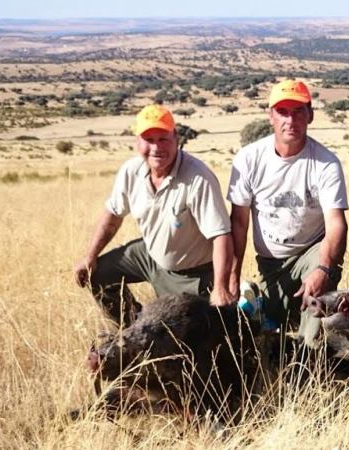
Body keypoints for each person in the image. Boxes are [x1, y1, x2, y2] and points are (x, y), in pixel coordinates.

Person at [74, 104, 234, 326]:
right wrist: (89, 256)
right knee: (98, 275)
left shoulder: (198, 178)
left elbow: (221, 236)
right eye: (148, 140)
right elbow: (112, 216)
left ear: (176, 138)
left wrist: (220, 288)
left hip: (191, 272)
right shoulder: (131, 171)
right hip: (150, 254)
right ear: (137, 142)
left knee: (186, 337)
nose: (156, 147)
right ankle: (133, 329)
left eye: (163, 139)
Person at [227, 80, 349, 341]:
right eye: (283, 112)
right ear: (270, 116)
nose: (290, 120)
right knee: (265, 326)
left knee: (317, 298)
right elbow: (238, 222)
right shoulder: (249, 159)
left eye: (298, 112)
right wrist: (232, 275)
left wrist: (324, 269)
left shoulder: (326, 163)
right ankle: (258, 302)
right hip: (271, 263)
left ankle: (308, 355)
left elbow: (336, 224)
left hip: (310, 252)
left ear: (310, 115)